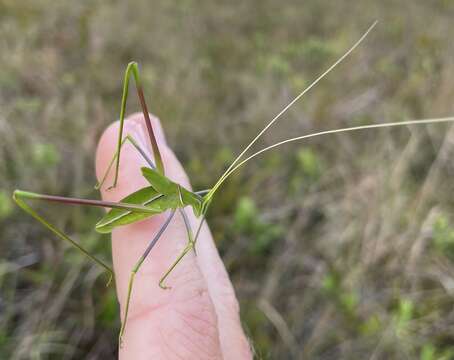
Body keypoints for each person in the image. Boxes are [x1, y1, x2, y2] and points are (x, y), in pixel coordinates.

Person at [96, 113, 253, 359]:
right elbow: (190, 239)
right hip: (143, 206)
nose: (202, 204)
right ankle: (122, 329)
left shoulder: (189, 197)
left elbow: (195, 207)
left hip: (159, 198)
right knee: (137, 267)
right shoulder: (180, 198)